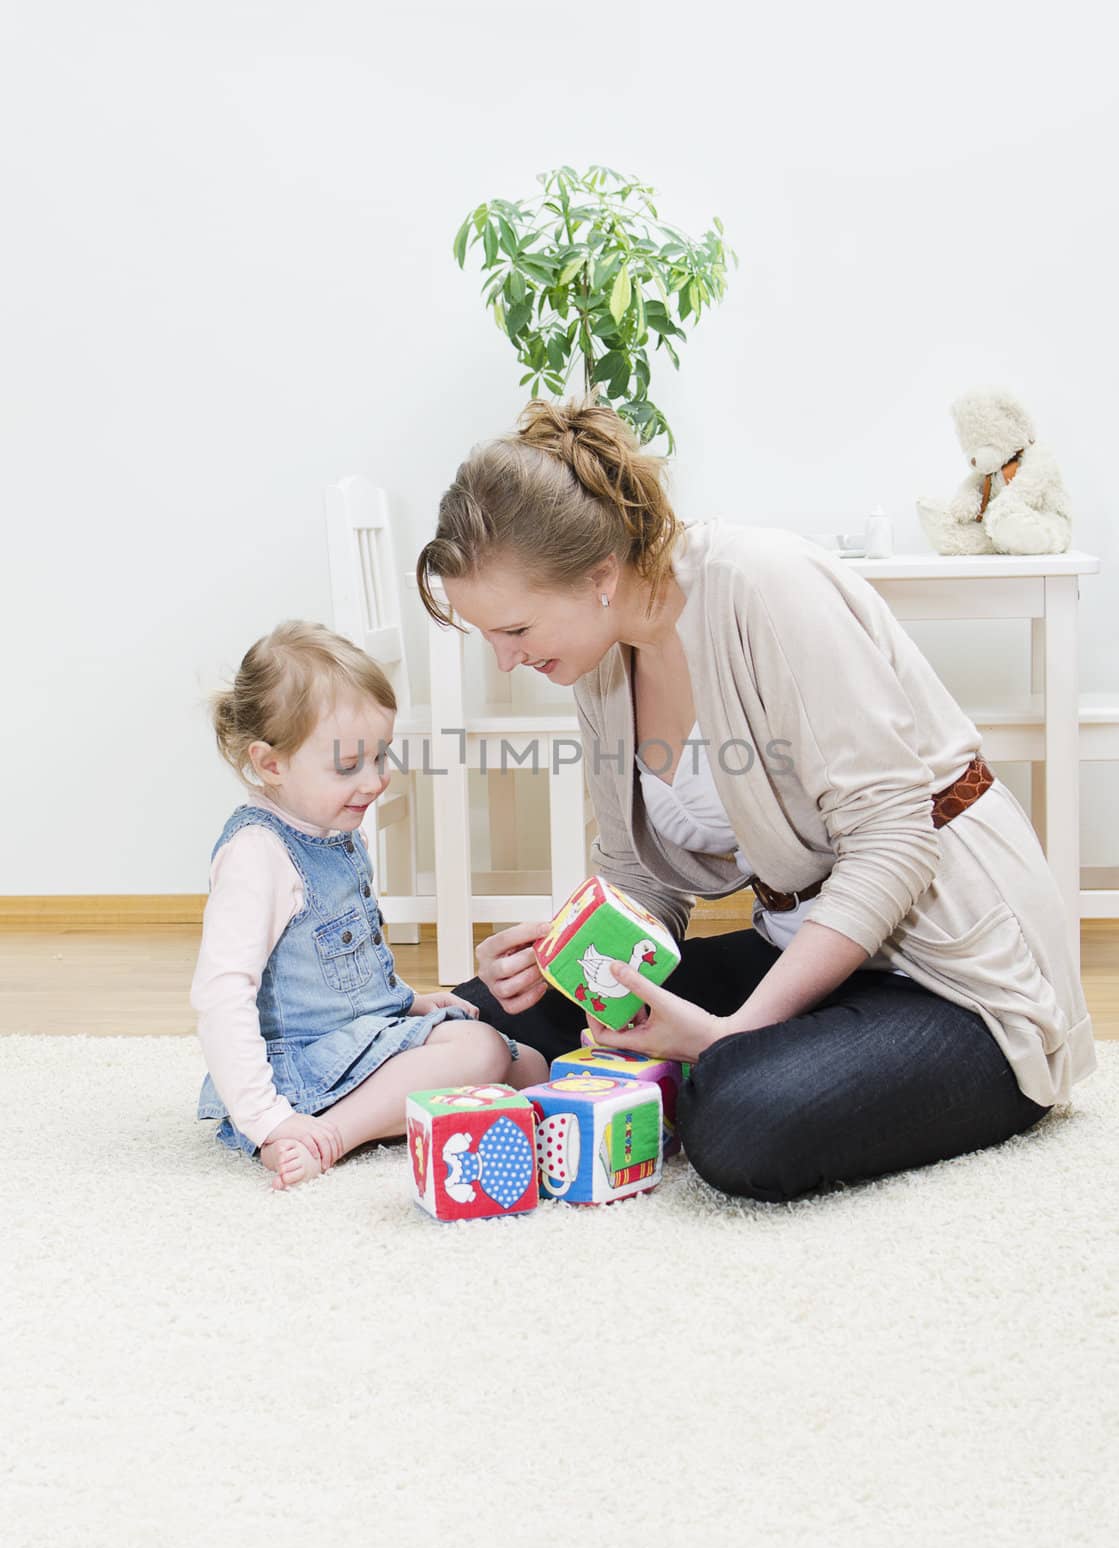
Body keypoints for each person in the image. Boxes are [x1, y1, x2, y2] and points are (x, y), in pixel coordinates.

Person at [415, 393, 1098, 1203]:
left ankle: (749, 1063)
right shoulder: (598, 658)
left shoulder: (764, 585)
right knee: (482, 1010)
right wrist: (570, 954)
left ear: (598, 575)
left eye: (515, 631)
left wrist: (735, 1034)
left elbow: (894, 842)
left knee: (742, 1120)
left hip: (950, 973)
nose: (503, 660)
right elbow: (640, 875)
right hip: (807, 951)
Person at [191, 619, 548, 1191]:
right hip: (301, 1071)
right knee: (479, 1050)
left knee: (529, 1065)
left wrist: (407, 1004)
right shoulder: (258, 852)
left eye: (381, 757)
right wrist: (268, 1119)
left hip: (357, 1041)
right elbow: (222, 995)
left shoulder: (330, 826)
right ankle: (326, 1136)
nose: (375, 781)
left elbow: (342, 966)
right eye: (348, 766)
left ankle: (388, 1113)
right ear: (270, 764)